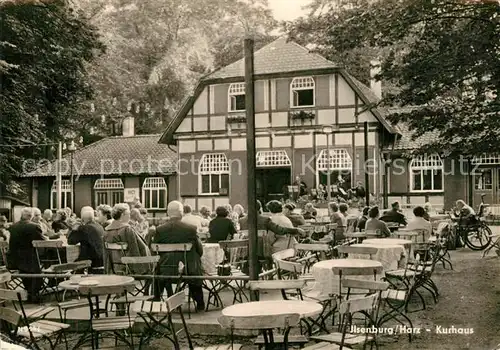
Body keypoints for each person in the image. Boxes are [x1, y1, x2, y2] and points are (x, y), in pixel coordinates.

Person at [152, 201, 205, 310]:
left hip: (165, 269)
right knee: (195, 263)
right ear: (181, 213)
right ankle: (199, 303)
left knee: (158, 268)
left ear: (167, 213)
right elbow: (200, 251)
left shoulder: (160, 230)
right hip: (188, 270)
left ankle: (157, 298)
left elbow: (154, 250)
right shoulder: (191, 228)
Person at [8, 208, 44, 302]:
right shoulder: (34, 226)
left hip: (15, 260)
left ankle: (29, 291)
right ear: (30, 216)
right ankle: (33, 294)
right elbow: (43, 242)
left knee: (26, 271)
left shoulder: (13, 226)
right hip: (30, 258)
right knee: (37, 271)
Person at [104, 203, 150, 274]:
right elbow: (139, 248)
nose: (129, 216)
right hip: (130, 266)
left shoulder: (106, 231)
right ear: (122, 215)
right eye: (128, 214)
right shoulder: (127, 230)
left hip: (113, 266)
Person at [68, 207, 104, 272]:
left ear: (82, 219)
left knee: (72, 265)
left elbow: (70, 241)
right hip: (101, 260)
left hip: (90, 261)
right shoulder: (99, 226)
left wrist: (74, 229)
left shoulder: (84, 228)